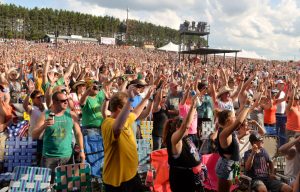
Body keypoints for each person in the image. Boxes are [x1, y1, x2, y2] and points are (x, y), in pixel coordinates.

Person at [101, 85, 154, 192]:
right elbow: (117, 129)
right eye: (127, 106)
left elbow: (136, 112)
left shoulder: (126, 118)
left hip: (132, 175)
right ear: (119, 108)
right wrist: (130, 99)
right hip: (117, 182)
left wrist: (147, 97)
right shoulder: (107, 123)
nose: (131, 108)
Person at [32, 91, 85, 182]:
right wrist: (44, 126)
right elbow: (34, 135)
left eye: (67, 100)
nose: (66, 102)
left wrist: (82, 150)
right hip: (49, 158)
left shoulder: (71, 115)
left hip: (67, 157)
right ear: (54, 102)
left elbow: (78, 133)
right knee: (48, 185)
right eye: (63, 100)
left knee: (66, 186)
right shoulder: (45, 115)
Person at [163, 94, 203, 192]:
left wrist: (195, 106)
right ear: (178, 128)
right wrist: (193, 106)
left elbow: (188, 122)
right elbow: (185, 125)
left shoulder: (186, 137)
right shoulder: (174, 139)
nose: (188, 129)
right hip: (182, 181)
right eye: (186, 128)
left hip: (192, 179)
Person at [215, 98, 254, 192]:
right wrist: (247, 106)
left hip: (232, 164)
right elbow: (239, 122)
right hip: (226, 166)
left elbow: (233, 143)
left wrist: (243, 135)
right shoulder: (224, 133)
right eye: (233, 117)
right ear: (228, 120)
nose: (235, 118)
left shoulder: (228, 130)